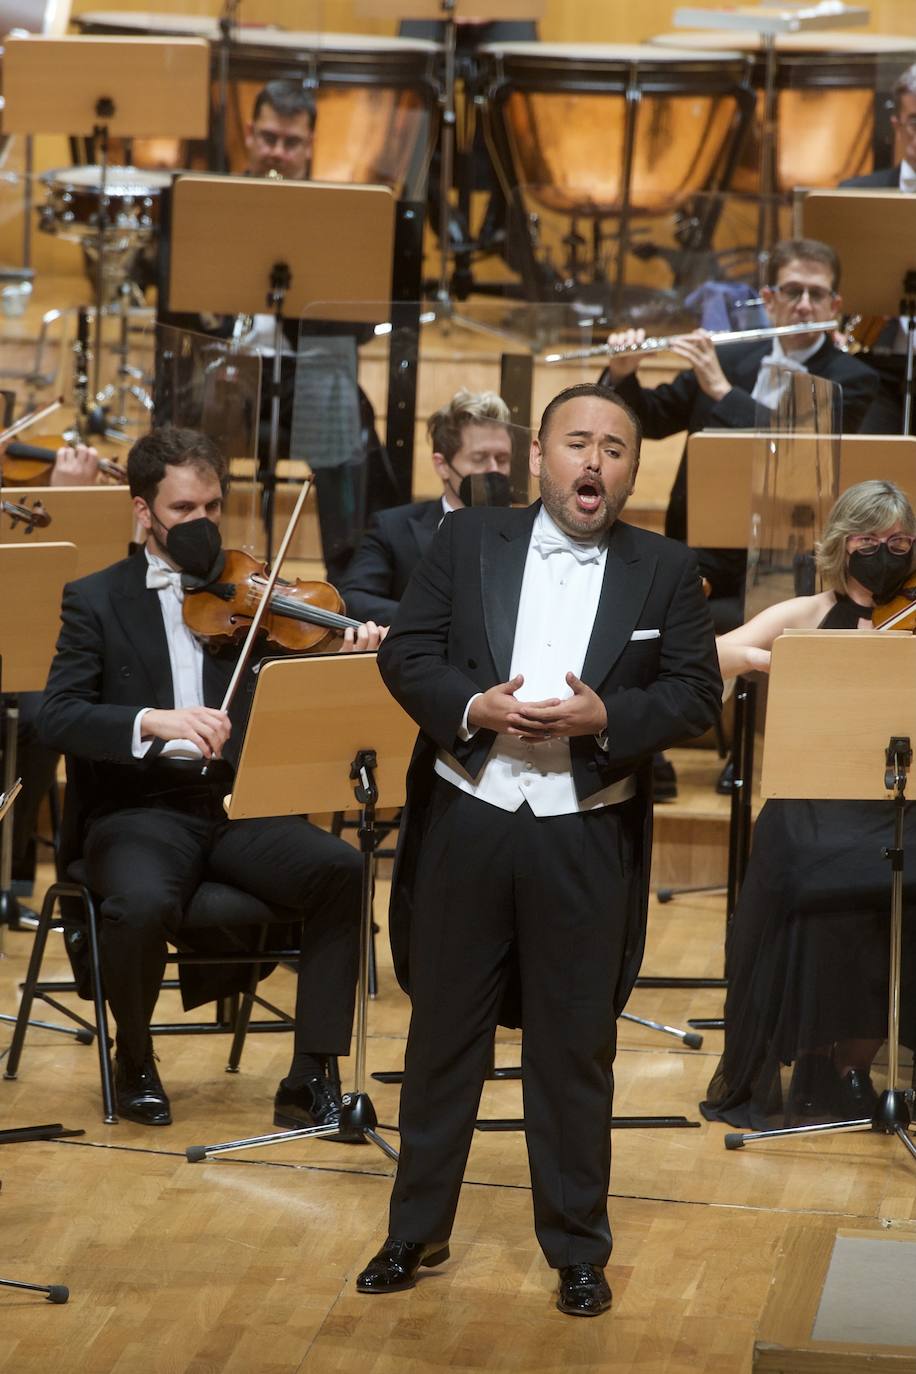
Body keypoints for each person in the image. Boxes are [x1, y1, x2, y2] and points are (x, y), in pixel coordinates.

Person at [355, 383, 722, 1316]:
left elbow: (692, 697)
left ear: (633, 467)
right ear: (538, 457)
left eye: (614, 448)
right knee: (443, 1039)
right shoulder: (467, 540)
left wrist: (612, 718)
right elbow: (408, 656)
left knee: (574, 1048)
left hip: (586, 828)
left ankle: (576, 1247)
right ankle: (414, 1230)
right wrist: (472, 708)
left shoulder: (669, 569)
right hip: (468, 818)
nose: (593, 463)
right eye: (576, 444)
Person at [38, 426, 384, 1129]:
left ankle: (309, 1075)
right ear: (143, 512)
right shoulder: (97, 599)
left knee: (341, 873)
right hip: (139, 812)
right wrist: (151, 722)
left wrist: (348, 653)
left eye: (212, 508)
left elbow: (296, 704)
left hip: (236, 807)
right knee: (135, 905)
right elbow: (58, 715)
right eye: (184, 510)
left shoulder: (252, 599)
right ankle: (134, 1057)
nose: (202, 525)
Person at [701, 478, 916, 1130]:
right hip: (815, 801)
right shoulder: (805, 612)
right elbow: (710, 657)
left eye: (901, 541)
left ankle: (858, 1064)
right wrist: (766, 658)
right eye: (870, 541)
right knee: (817, 874)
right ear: (839, 545)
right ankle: (821, 1063)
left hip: (897, 802)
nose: (887, 552)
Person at [601, 237, 879, 630]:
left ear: (834, 306)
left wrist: (723, 392)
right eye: (791, 291)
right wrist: (623, 373)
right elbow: (652, 419)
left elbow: (806, 452)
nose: (803, 304)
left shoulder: (852, 379)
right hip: (702, 545)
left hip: (794, 555)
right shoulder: (728, 358)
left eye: (816, 294)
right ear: (769, 299)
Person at [9, 442, 101, 913]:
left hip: (16, 638)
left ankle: (8, 868)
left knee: (42, 717)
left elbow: (54, 581)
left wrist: (63, 502)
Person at [337, 388, 513, 624]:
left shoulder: (529, 528)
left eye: (502, 460)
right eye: (480, 458)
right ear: (442, 465)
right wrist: (443, 621)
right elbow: (354, 598)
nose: (494, 470)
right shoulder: (392, 528)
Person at [839, 63, 916, 434]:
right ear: (897, 125)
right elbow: (832, 278)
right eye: (915, 120)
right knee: (867, 475)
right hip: (877, 364)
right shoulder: (856, 195)